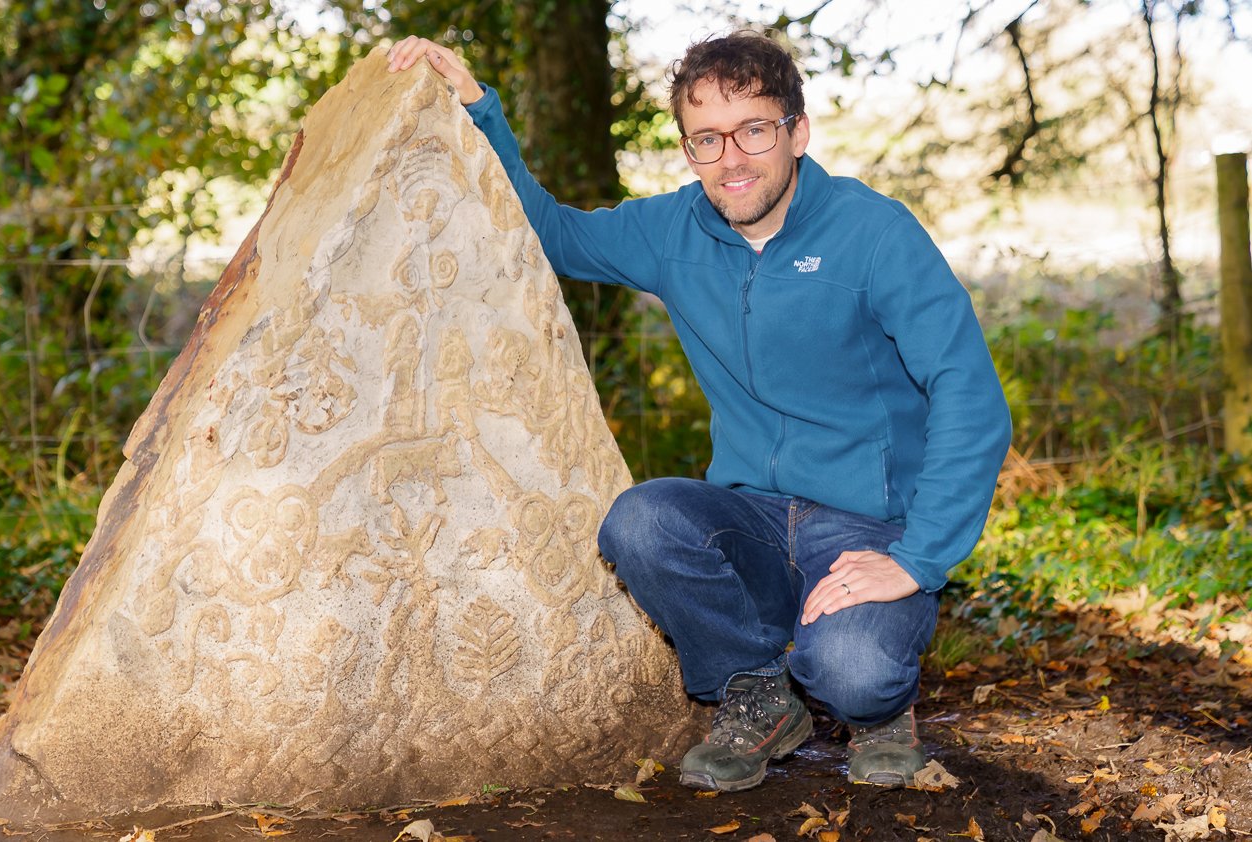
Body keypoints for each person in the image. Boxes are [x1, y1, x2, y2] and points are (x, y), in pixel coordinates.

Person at [386, 30, 1011, 791]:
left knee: (850, 673)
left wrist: (914, 561)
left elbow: (968, 398)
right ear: (687, 150)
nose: (731, 159)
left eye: (753, 129)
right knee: (640, 519)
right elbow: (546, 232)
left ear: (796, 131)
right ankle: (755, 692)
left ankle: (880, 712)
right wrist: (481, 110)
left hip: (866, 523)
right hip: (750, 514)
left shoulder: (874, 234)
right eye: (706, 140)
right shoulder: (672, 230)